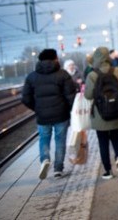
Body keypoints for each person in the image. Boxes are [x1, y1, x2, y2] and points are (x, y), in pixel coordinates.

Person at [21, 49, 77, 179]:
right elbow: (71, 96)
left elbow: (25, 98)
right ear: (55, 59)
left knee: (44, 139)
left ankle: (45, 159)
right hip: (61, 115)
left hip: (42, 116)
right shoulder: (63, 75)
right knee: (60, 140)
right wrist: (67, 109)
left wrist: (37, 108)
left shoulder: (32, 77)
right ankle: (58, 168)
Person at [84, 46, 118, 180]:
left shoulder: (92, 74)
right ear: (108, 56)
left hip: (100, 114)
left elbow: (88, 95)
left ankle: (108, 170)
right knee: (116, 137)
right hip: (117, 111)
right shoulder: (117, 71)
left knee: (103, 142)